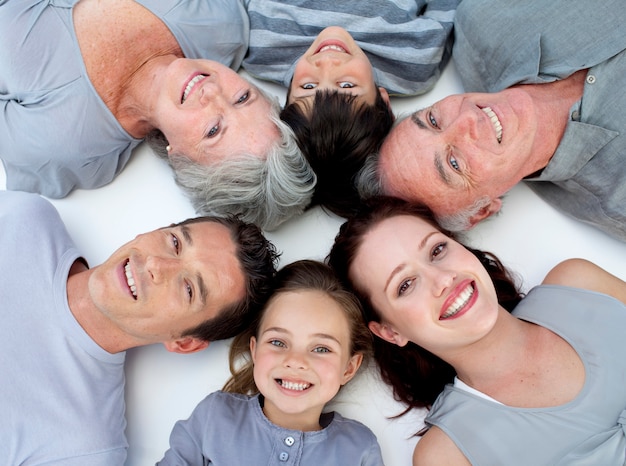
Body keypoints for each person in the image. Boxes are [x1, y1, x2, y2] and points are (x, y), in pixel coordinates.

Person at [327, 196, 626, 465]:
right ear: (390, 332)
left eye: (437, 250)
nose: (442, 279)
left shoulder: (578, 283)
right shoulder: (447, 455)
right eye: (405, 285)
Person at [0, 190, 278, 465]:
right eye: (175, 243)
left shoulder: (82, 449)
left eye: (189, 288)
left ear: (185, 343)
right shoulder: (24, 219)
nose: (155, 264)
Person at [0, 0, 315, 231]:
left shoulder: (63, 146)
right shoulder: (219, 24)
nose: (213, 93)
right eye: (243, 97)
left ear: (179, 158)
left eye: (213, 129)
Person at [360, 0, 626, 241]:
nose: (467, 118)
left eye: (432, 120)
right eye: (454, 163)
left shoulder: (485, 20)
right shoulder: (619, 199)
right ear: (484, 210)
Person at [243, 0, 459, 217]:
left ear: (287, 97)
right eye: (347, 86)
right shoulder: (414, 61)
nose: (327, 63)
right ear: (383, 101)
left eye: (308, 86)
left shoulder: (264, 46)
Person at [157, 260, 384, 465]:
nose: (295, 361)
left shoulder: (359, 449)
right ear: (255, 351)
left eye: (321, 348)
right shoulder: (215, 417)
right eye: (278, 342)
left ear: (349, 368)